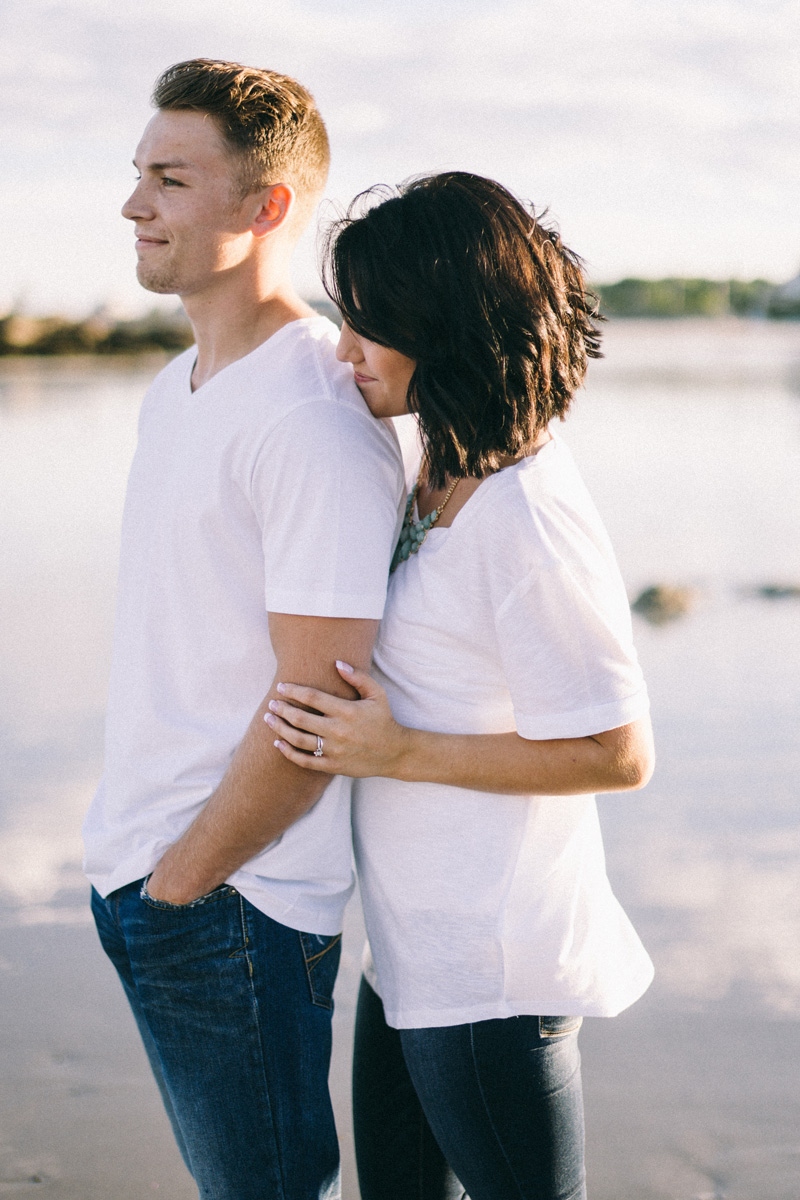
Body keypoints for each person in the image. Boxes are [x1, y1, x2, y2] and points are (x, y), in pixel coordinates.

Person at [266, 171, 656, 1200]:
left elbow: (617, 753)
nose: (344, 349)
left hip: (492, 973)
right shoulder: (438, 460)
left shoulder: (526, 513)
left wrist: (397, 752)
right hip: (407, 954)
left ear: (442, 327)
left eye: (369, 326)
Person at [82, 59, 405, 1200]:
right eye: (137, 176)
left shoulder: (313, 416)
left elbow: (317, 706)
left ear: (265, 206)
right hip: (147, 868)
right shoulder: (173, 386)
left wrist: (186, 883)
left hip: (233, 903)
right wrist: (142, 875)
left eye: (169, 179)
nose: (133, 206)